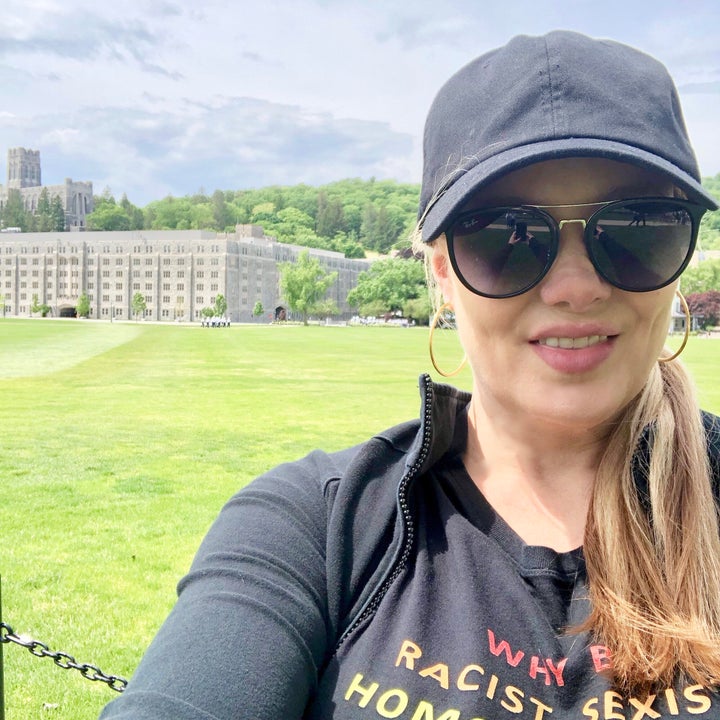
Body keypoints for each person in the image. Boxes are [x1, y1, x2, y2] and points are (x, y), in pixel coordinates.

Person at [100, 31, 720, 719]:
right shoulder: (321, 527)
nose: (576, 286)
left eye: (636, 226)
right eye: (505, 234)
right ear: (442, 276)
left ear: (683, 251)